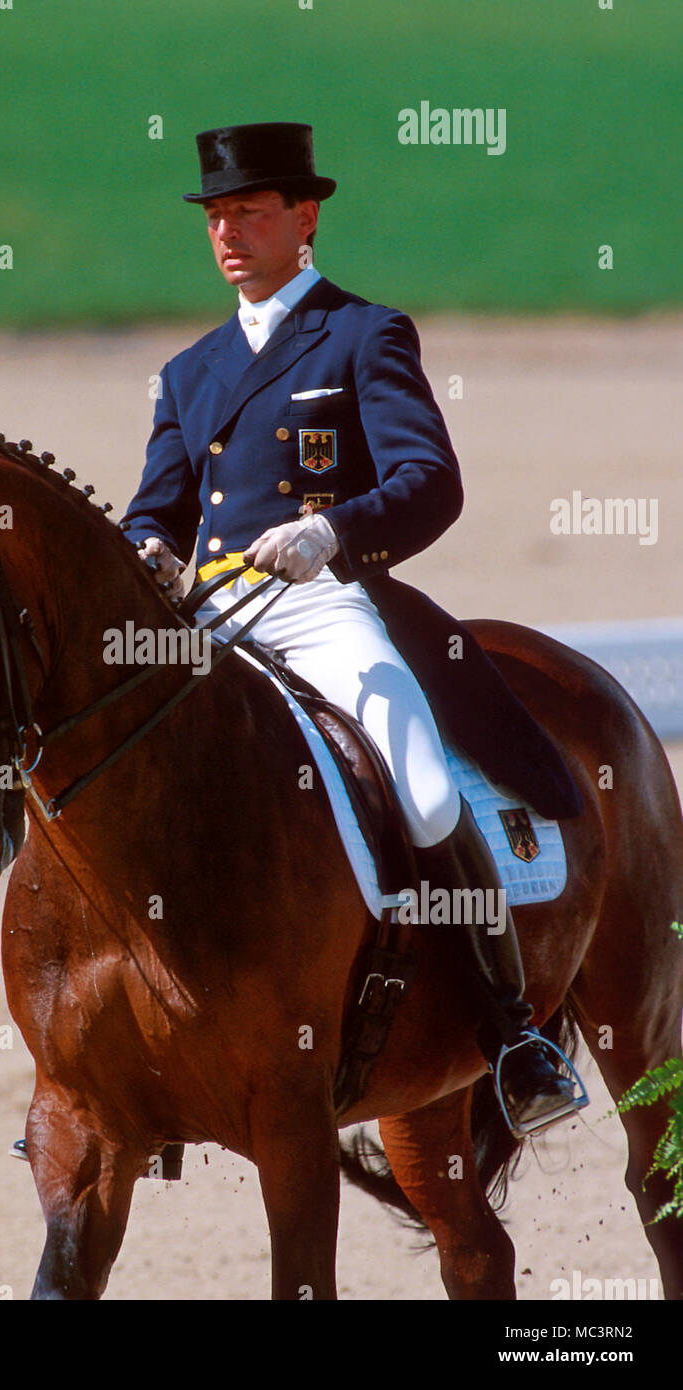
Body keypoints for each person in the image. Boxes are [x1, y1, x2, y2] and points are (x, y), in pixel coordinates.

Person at [118, 122, 584, 1136]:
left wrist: (329, 530)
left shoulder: (362, 334)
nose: (230, 232)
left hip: (320, 603)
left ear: (305, 217)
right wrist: (148, 551)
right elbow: (154, 507)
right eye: (217, 216)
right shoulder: (189, 370)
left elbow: (432, 482)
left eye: (251, 211)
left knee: (419, 789)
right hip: (210, 613)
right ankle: (111, 1052)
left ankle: (515, 1036)